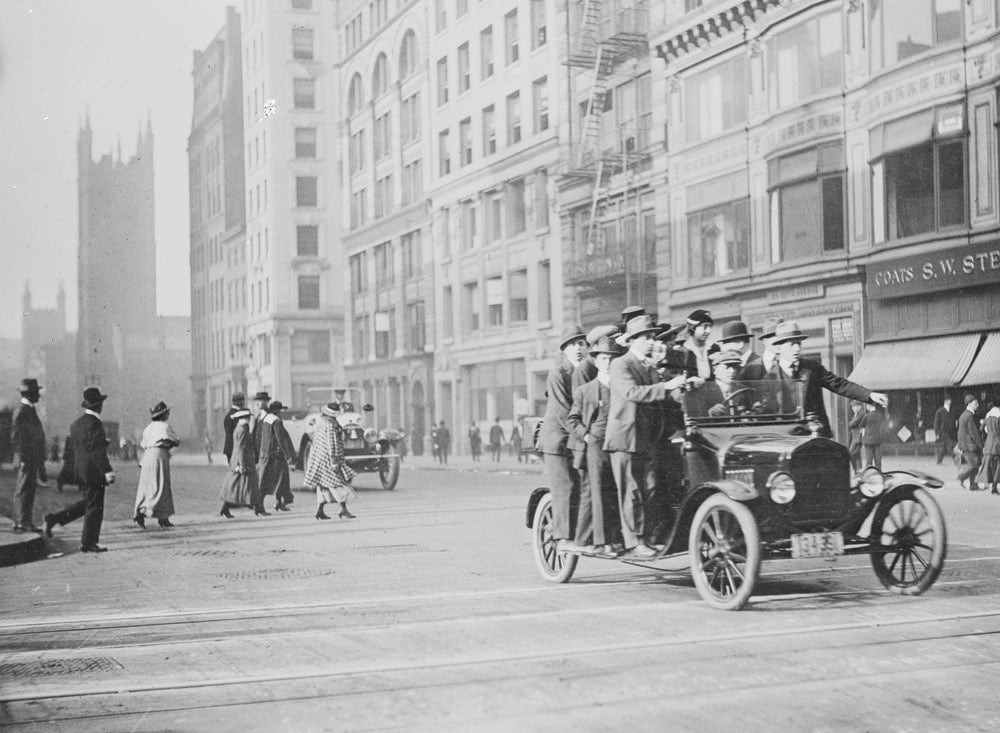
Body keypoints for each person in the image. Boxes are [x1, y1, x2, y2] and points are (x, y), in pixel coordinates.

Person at [605, 315, 686, 560]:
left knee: (649, 489)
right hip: (625, 438)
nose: (651, 342)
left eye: (652, 337)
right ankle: (634, 541)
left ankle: (647, 537)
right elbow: (632, 393)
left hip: (647, 438)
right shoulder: (621, 364)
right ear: (632, 341)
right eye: (646, 338)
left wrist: (687, 388)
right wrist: (669, 386)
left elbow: (664, 397)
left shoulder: (648, 367)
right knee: (631, 492)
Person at [764, 321, 887, 437]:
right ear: (779, 347)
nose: (797, 348)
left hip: (816, 437)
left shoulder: (812, 368)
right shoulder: (770, 377)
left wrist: (868, 395)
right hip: (787, 439)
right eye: (792, 344)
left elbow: (838, 383)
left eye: (799, 343)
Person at [567, 335, 625, 558]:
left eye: (612, 358)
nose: (608, 362)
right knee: (599, 491)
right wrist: (588, 436)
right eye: (604, 358)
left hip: (618, 444)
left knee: (615, 491)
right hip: (596, 445)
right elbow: (572, 420)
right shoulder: (586, 391)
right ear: (597, 362)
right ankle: (602, 542)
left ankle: (614, 538)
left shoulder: (622, 387)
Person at [44, 388, 116, 552]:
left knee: (87, 504)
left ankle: (54, 519)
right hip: (94, 471)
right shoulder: (96, 424)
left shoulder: (76, 424)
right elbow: (97, 451)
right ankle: (88, 543)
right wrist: (107, 470)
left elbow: (83, 447)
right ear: (99, 406)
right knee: (95, 506)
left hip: (81, 471)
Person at [539, 325, 588, 554]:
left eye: (581, 344)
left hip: (577, 438)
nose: (577, 348)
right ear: (564, 349)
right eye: (572, 344)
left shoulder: (588, 373)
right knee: (565, 486)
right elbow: (562, 411)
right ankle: (561, 537)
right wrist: (584, 435)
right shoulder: (558, 373)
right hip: (559, 440)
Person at [305, 402, 358, 520]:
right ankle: (343, 509)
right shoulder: (330, 425)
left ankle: (319, 510)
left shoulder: (321, 422)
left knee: (324, 485)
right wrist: (334, 460)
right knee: (337, 483)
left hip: (319, 457)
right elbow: (331, 443)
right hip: (327, 458)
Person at [133, 401, 180, 528]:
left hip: (147, 456)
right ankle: (159, 515)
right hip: (159, 456)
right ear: (164, 414)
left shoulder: (148, 428)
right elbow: (176, 440)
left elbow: (143, 444)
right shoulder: (165, 427)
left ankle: (143, 510)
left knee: (147, 485)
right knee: (161, 485)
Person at [11, 378, 47, 532]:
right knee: (23, 489)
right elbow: (17, 437)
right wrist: (23, 457)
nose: (38, 395)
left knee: (29, 489)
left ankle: (25, 521)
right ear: (29, 394)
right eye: (36, 393)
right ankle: (21, 522)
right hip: (26, 457)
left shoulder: (28, 409)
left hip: (30, 457)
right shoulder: (22, 411)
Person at [219, 408, 265, 517]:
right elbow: (241, 448)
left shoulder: (240, 428)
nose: (248, 419)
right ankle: (257, 508)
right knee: (250, 485)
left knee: (237, 486)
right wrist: (242, 465)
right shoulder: (243, 430)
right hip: (243, 462)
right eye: (247, 417)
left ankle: (225, 507)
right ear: (243, 418)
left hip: (238, 461)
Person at [685, 350, 755, 417]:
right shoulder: (701, 392)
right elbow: (696, 418)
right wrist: (710, 413)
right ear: (714, 369)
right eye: (727, 367)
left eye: (735, 367)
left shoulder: (744, 390)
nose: (732, 371)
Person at [259, 400, 298, 512]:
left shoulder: (265, 420)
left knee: (276, 480)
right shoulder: (276, 421)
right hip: (276, 456)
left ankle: (279, 502)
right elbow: (280, 438)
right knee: (276, 480)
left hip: (266, 454)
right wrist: (287, 454)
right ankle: (260, 505)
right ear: (277, 411)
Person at [680, 309, 721, 382]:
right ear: (693, 328)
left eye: (709, 327)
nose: (708, 331)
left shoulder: (714, 348)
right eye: (705, 327)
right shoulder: (683, 350)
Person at [957, 394, 983, 491]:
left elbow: (959, 432)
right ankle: (963, 478)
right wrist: (980, 445)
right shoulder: (969, 416)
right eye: (975, 403)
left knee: (972, 465)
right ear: (970, 404)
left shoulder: (963, 415)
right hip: (970, 446)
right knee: (974, 465)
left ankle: (973, 484)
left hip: (965, 445)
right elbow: (973, 433)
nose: (977, 405)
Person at [976, 406, 1000, 495]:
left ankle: (989, 484)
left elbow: (981, 428)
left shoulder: (988, 416)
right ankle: (994, 486)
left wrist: (987, 433)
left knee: (990, 466)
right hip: (998, 444)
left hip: (989, 443)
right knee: (998, 466)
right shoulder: (999, 416)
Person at [859, 403, 886, 470]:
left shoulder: (867, 416)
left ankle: (869, 474)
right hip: (877, 439)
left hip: (868, 439)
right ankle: (879, 472)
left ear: (869, 406)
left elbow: (861, 425)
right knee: (878, 458)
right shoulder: (880, 415)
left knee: (869, 459)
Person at [933, 397, 957, 466]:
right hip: (943, 432)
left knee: (945, 447)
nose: (950, 402)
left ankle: (939, 461)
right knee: (950, 445)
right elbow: (936, 423)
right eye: (948, 400)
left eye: (950, 400)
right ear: (945, 401)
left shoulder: (951, 411)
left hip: (950, 432)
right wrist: (937, 433)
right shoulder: (940, 411)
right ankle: (957, 460)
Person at [223, 393, 246, 463]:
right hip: (235, 448)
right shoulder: (237, 415)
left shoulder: (228, 414)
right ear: (241, 403)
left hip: (229, 447)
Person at [847, 401, 865, 471]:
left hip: (857, 438)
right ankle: (858, 471)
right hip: (855, 437)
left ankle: (857, 470)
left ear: (859, 406)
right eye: (852, 407)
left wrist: (850, 423)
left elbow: (852, 424)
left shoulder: (861, 414)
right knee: (856, 455)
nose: (852, 408)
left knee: (851, 454)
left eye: (854, 406)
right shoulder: (857, 414)